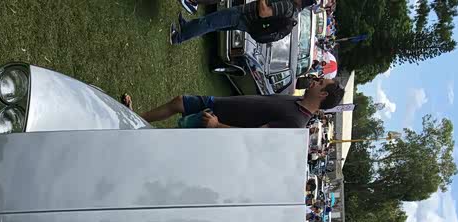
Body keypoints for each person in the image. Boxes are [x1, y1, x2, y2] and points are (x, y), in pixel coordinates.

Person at [123, 78, 344, 129]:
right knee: (178, 101)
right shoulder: (297, 100)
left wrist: (216, 126)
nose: (315, 80)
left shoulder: (296, 122)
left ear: (323, 95)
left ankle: (134, 131)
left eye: (320, 83)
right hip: (218, 104)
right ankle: (133, 118)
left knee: (173, 135)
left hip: (216, 120)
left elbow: (255, 136)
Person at [172, 0, 317, 45]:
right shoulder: (293, 13)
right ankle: (187, 27)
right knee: (212, 23)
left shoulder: (288, 6)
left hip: (242, 16)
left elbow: (263, 12)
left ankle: (178, 37)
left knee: (210, 22)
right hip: (246, 22)